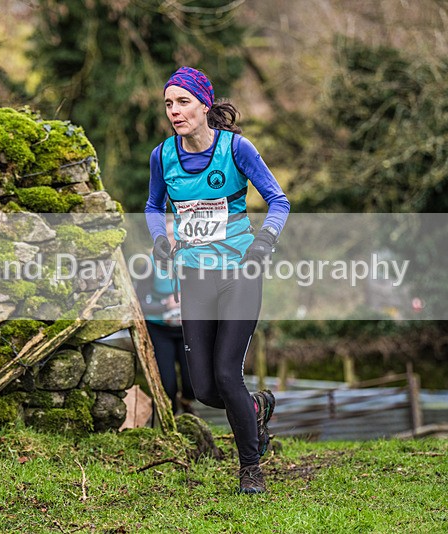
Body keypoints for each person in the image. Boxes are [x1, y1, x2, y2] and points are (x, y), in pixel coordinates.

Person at [145, 66, 290, 494]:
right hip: (195, 276)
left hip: (241, 272)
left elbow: (279, 201)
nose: (174, 111)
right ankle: (258, 407)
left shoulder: (236, 149)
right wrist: (159, 240)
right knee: (206, 389)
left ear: (204, 105)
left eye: (183, 101)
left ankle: (251, 468)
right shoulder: (163, 156)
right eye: (169, 103)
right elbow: (154, 206)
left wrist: (264, 241)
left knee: (227, 375)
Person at [135, 217, 196, 416]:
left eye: (177, 235)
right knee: (168, 384)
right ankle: (173, 418)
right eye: (169, 235)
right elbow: (138, 303)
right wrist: (164, 304)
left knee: (193, 382)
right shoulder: (148, 263)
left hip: (187, 329)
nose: (173, 239)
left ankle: (187, 402)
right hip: (160, 329)